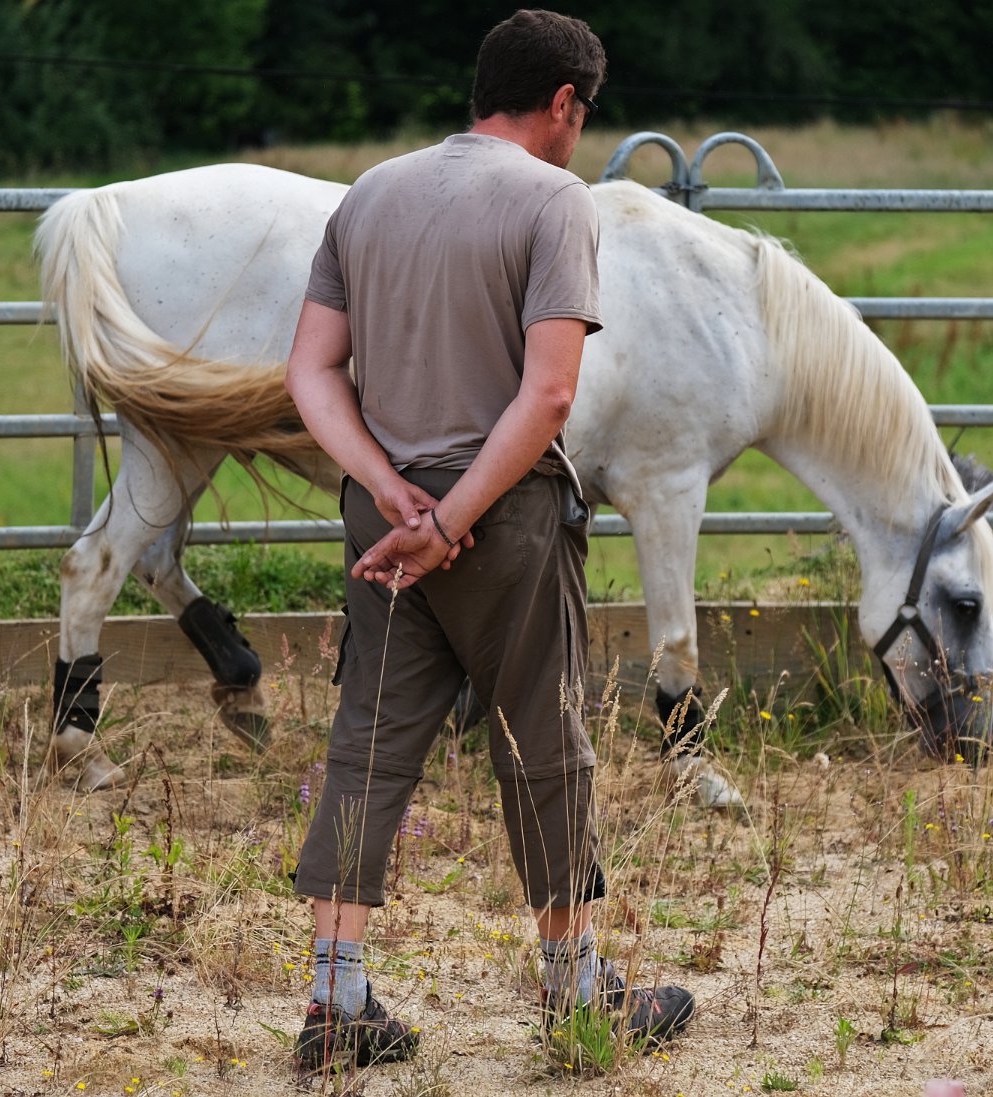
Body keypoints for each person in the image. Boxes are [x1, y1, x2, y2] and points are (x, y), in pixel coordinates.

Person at [282, 8, 694, 1073]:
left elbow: (311, 370)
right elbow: (549, 391)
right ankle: (575, 987)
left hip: (383, 517)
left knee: (368, 737)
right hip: (500, 517)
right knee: (542, 739)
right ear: (562, 102)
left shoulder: (370, 192)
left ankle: (336, 997)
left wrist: (393, 495)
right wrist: (454, 519)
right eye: (582, 114)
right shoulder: (555, 201)